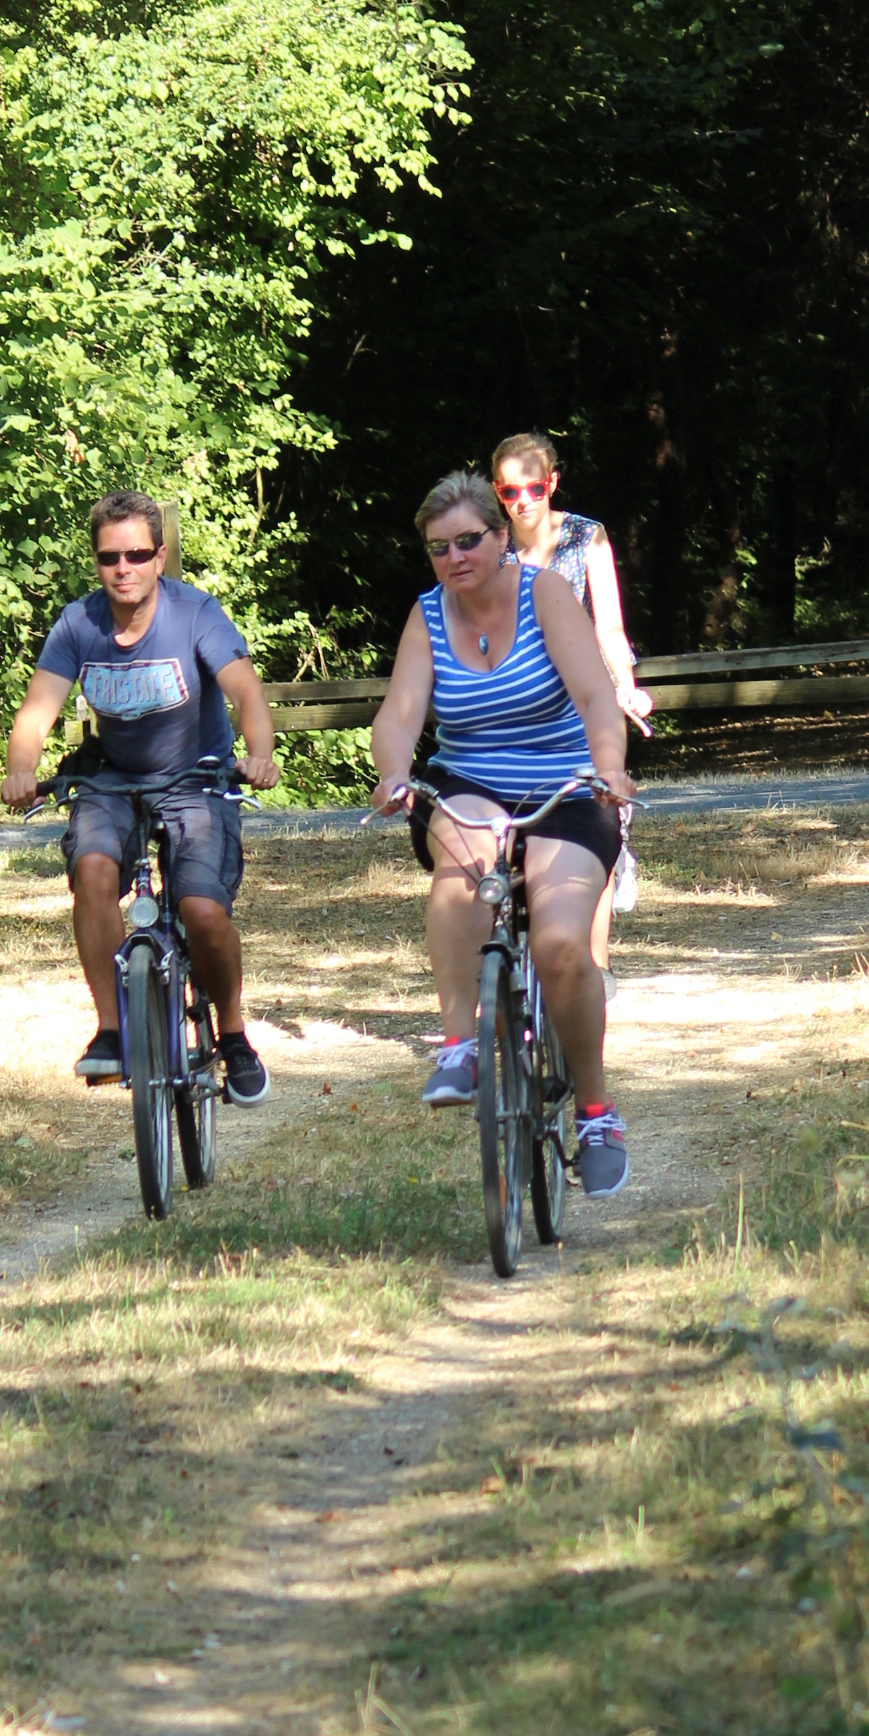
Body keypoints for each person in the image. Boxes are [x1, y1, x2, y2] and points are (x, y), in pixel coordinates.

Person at [369, 469, 638, 1197]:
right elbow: (397, 715)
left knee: (558, 945)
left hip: (567, 784)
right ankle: (459, 1046)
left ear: (498, 537)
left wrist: (609, 768)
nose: (455, 558)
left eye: (468, 541)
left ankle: (594, 1111)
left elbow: (594, 694)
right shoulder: (427, 615)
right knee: (465, 865)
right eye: (438, 548)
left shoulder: (543, 592)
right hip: (471, 782)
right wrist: (395, 773)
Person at [1, 492, 278, 1097]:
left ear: (159, 556)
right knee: (93, 870)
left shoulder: (196, 614)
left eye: (137, 554)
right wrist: (20, 768)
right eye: (109, 557)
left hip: (196, 779)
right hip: (111, 780)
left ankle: (231, 1034)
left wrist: (259, 754)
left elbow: (247, 693)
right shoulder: (79, 623)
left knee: (202, 911)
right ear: (96, 562)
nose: (123, 568)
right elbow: (37, 710)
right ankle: (111, 1030)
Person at [492, 431, 651, 972]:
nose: (523, 502)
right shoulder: (487, 547)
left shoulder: (587, 537)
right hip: (516, 703)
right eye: (511, 492)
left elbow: (608, 625)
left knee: (593, 823)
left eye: (533, 488)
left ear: (552, 483)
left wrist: (623, 683)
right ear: (497, 493)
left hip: (584, 700)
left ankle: (597, 965)